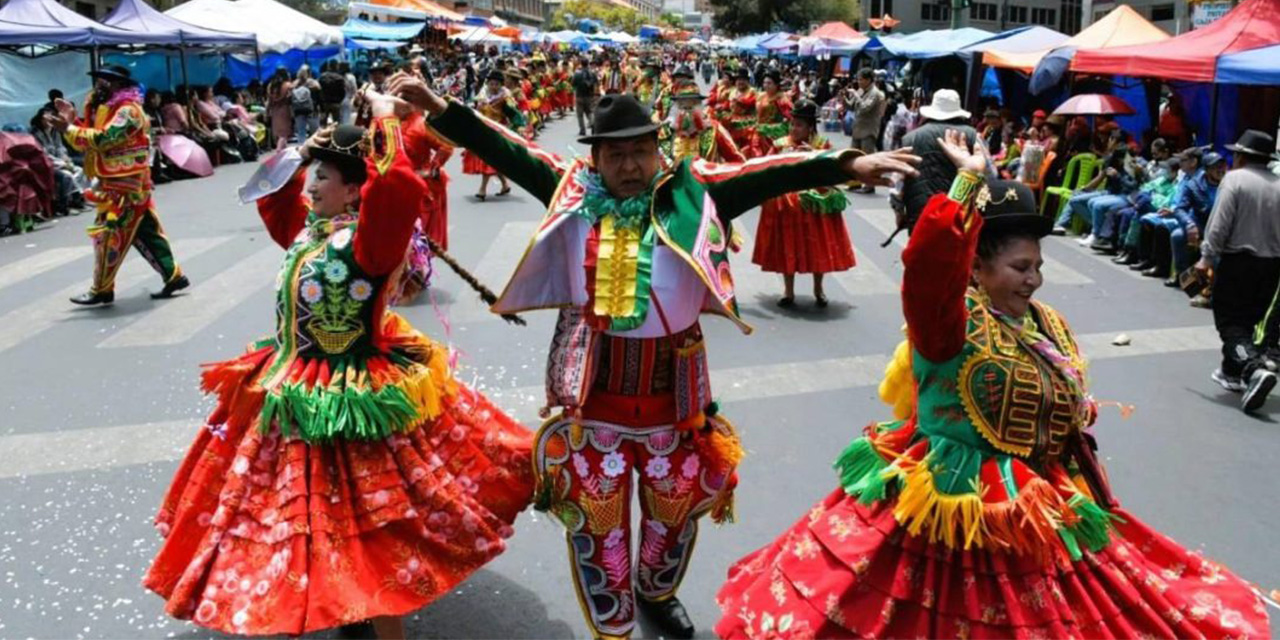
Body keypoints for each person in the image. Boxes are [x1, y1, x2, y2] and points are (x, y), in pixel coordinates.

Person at [393, 77, 919, 640]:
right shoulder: (571, 190)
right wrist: (439, 107)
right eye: (615, 154)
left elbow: (767, 172)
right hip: (593, 399)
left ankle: (656, 590)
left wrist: (845, 164)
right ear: (595, 158)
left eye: (640, 151)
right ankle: (614, 624)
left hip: (676, 402)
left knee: (672, 517)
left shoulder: (693, 192)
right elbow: (507, 148)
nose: (629, 165)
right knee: (600, 528)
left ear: (657, 152)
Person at [715, 129, 1271, 640]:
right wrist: (968, 185)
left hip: (1033, 509)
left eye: (1037, 266)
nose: (1033, 279)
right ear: (977, 268)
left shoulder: (1047, 323)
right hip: (946, 508)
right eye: (1019, 267)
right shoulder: (947, 321)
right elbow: (930, 262)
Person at [142, 92, 534, 639]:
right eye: (312, 176)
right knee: (307, 519)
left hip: (351, 397)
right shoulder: (310, 231)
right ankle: (341, 600)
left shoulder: (368, 243)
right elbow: (273, 198)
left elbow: (398, 189)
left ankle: (375, 616)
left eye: (323, 176)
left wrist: (383, 120)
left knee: (368, 524)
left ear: (355, 190)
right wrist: (301, 151)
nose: (311, 186)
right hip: (291, 385)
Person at [45, 65, 189, 306]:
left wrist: (68, 128)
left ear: (118, 85)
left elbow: (102, 140)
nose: (99, 86)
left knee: (108, 236)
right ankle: (173, 275)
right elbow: (90, 139)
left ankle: (101, 289)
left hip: (124, 188)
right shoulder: (111, 109)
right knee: (146, 233)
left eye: (104, 81)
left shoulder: (128, 112)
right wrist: (73, 121)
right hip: (123, 185)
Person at [1196, 130, 1280, 411]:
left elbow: (1219, 223)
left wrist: (1206, 258)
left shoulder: (1235, 180)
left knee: (1230, 323)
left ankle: (1253, 368)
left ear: (1242, 156)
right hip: (1271, 266)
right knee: (1247, 321)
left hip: (1238, 262)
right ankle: (1231, 373)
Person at [752, 100, 856, 308]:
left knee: (817, 247)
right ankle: (788, 292)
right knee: (786, 246)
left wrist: (815, 156)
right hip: (786, 204)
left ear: (810, 127)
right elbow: (766, 168)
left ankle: (819, 289)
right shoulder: (780, 144)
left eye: (799, 125)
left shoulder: (822, 145)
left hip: (814, 203)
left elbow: (834, 171)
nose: (794, 128)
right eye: (792, 124)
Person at [898, 89, 977, 233]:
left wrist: (899, 211)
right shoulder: (973, 136)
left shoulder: (911, 138)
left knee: (921, 252)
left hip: (920, 211)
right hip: (960, 213)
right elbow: (989, 175)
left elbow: (898, 182)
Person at [462, 71, 513, 201]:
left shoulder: (506, 98)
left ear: (501, 85)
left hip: (499, 131)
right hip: (484, 129)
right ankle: (505, 184)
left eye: (496, 84)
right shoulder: (482, 96)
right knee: (491, 160)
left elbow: (513, 114)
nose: (493, 86)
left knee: (488, 159)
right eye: (491, 84)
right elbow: (476, 113)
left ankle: (482, 189)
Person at [846, 68, 886, 194]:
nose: (859, 82)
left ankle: (869, 185)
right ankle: (854, 183)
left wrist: (856, 95)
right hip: (858, 128)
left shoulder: (875, 93)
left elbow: (864, 108)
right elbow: (851, 106)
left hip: (868, 130)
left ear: (868, 80)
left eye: (861, 79)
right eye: (858, 79)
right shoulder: (861, 90)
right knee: (853, 157)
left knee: (867, 158)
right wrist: (846, 97)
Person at [751, 70, 792, 157]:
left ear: (776, 85)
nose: (766, 85)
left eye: (769, 83)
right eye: (764, 83)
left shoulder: (782, 99)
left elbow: (790, 118)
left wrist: (772, 128)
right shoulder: (761, 95)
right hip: (758, 131)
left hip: (772, 135)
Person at [725, 67, 758, 150]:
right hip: (733, 124)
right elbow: (728, 106)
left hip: (748, 125)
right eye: (738, 80)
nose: (740, 82)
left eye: (743, 80)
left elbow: (752, 104)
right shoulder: (733, 91)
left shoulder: (753, 91)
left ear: (747, 81)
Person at [572, 56, 599, 137]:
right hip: (590, 96)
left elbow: (573, 84)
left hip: (579, 96)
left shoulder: (577, 74)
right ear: (588, 64)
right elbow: (596, 84)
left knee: (580, 115)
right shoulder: (593, 73)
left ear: (581, 64)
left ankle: (582, 130)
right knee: (590, 111)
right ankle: (592, 122)